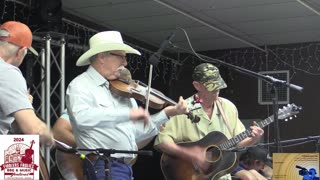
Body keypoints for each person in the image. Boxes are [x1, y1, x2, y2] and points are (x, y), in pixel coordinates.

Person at [65, 31, 189, 180]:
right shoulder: (81, 85)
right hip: (101, 166)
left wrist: (167, 114)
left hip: (125, 168)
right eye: (121, 56)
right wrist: (127, 114)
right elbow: (82, 118)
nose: (125, 62)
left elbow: (136, 133)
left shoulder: (124, 90)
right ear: (102, 57)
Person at [154, 63, 264, 180]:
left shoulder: (228, 107)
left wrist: (253, 139)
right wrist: (190, 153)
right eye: (211, 86)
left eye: (218, 85)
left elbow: (236, 143)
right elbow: (161, 142)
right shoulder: (183, 109)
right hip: (192, 175)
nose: (216, 89)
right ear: (197, 85)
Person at [0, 21, 53, 145]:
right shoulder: (8, 72)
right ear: (21, 51)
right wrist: (49, 136)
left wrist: (18, 103)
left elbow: (11, 128)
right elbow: (34, 129)